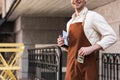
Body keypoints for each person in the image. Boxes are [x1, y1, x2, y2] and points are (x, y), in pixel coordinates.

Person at [57, 0, 117, 80]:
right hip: (71, 67)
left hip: (87, 66)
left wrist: (91, 48)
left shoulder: (93, 16)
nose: (76, 0)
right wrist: (64, 44)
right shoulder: (69, 23)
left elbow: (112, 36)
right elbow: (73, 48)